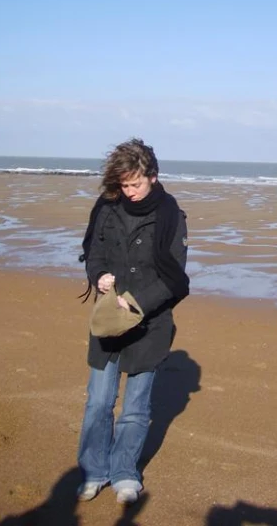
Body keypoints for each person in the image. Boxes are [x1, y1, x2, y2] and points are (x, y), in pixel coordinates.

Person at [76, 138, 189, 505]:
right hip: (109, 321)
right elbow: (93, 252)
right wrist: (100, 276)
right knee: (98, 402)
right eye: (124, 185)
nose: (130, 192)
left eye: (135, 184)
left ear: (153, 176)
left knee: (136, 408)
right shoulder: (107, 207)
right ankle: (94, 471)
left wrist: (136, 302)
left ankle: (124, 471)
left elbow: (175, 279)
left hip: (149, 325)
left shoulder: (172, 215)